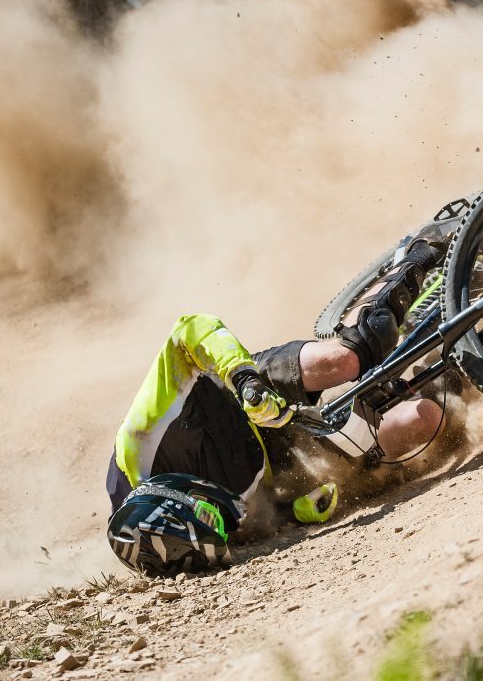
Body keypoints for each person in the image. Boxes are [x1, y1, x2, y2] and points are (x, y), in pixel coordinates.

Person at [106, 236, 447, 576]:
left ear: (175, 499)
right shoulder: (185, 536)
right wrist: (294, 511)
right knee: (423, 420)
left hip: (243, 392)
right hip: (276, 455)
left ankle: (419, 255)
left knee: (346, 359)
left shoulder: (143, 440)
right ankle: (464, 353)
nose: (221, 522)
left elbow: (191, 329)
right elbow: (253, 518)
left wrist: (245, 381)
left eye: (212, 519)